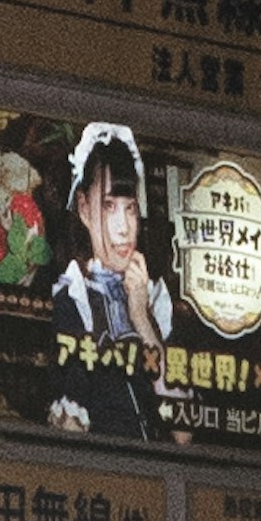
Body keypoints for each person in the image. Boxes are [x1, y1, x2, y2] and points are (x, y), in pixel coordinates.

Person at [43, 121, 170, 447]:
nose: (123, 228)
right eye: (109, 207)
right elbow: (69, 403)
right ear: (84, 208)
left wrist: (140, 314)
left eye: (130, 210)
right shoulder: (73, 294)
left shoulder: (155, 294)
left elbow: (178, 413)